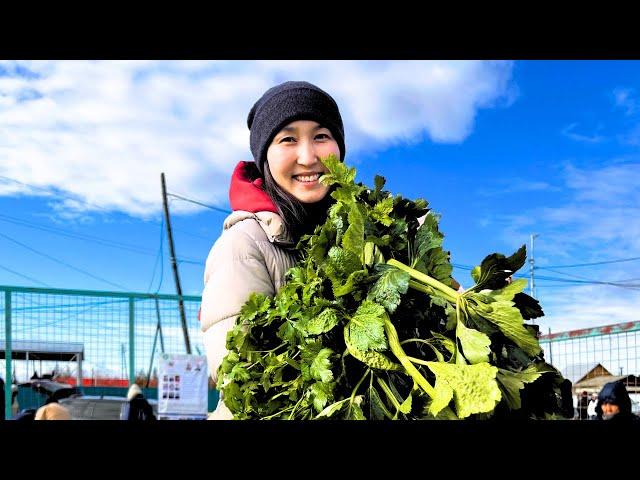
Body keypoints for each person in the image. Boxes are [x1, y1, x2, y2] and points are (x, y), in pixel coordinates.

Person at [200, 81, 346, 420]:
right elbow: (244, 379)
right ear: (264, 155)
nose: (308, 157)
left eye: (321, 136)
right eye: (288, 139)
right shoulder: (242, 245)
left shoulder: (363, 235)